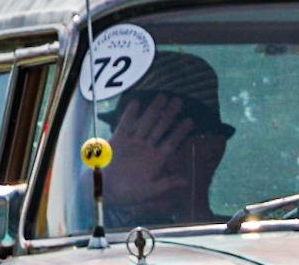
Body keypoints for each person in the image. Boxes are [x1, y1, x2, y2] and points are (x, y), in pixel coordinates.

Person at [99, 52, 235, 227]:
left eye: (162, 137)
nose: (141, 162)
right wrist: (102, 192)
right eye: (127, 140)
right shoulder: (93, 239)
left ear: (213, 152)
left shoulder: (259, 241)